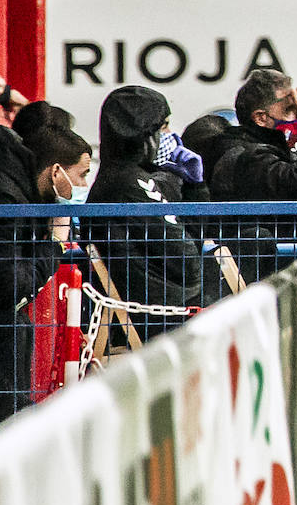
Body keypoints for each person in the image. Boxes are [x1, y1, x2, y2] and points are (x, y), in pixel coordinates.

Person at [86, 86, 208, 339]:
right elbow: (187, 260)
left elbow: (188, 240)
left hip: (163, 303)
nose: (169, 135)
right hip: (159, 314)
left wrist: (194, 188)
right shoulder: (129, 185)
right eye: (163, 127)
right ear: (143, 134)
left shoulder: (136, 179)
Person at [0, 125, 92, 421]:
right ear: (55, 173)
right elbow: (13, 283)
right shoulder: (9, 200)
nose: (83, 185)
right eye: (82, 174)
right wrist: (55, 244)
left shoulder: (25, 195)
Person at [209, 71, 297, 283]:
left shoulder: (269, 150)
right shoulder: (249, 157)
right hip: (262, 281)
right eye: (290, 109)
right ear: (261, 118)